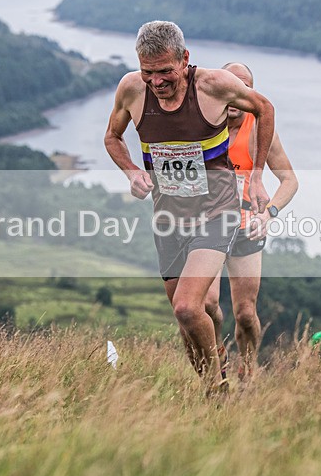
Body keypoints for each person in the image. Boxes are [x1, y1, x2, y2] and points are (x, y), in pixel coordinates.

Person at [103, 21, 275, 394]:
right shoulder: (132, 89)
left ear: (184, 59)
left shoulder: (214, 86)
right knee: (187, 322)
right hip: (168, 219)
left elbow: (264, 108)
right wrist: (132, 171)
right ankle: (216, 386)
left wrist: (258, 174)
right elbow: (112, 137)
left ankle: (218, 389)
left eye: (165, 71)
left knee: (186, 306)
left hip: (218, 212)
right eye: (148, 71)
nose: (157, 81)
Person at [203, 62, 298, 383]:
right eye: (231, 86)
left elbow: (289, 181)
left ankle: (248, 365)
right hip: (209, 225)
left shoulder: (260, 129)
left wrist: (268, 213)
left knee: (245, 314)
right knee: (207, 303)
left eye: (243, 89)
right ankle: (219, 358)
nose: (235, 96)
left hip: (247, 226)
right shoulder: (203, 125)